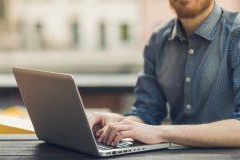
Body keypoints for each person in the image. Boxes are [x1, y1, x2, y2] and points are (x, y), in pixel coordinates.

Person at [89, 0, 240, 147]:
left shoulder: (236, 33)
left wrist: (161, 132)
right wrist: (120, 124)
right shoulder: (158, 40)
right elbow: (147, 113)